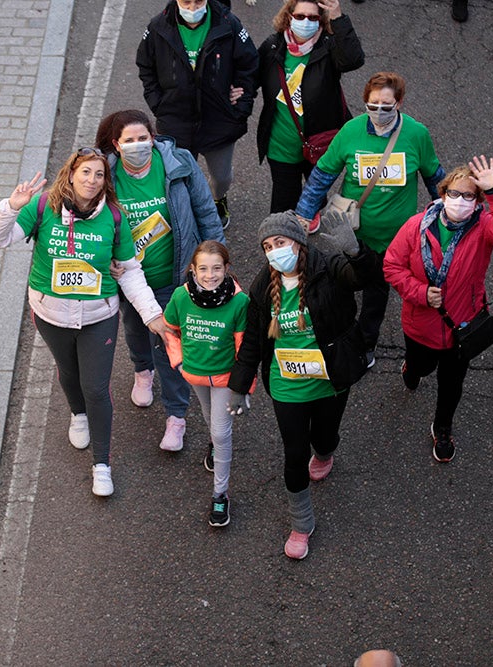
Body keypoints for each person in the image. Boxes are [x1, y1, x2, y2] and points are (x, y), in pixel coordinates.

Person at [0, 149, 168, 497]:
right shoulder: (42, 207)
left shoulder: (113, 218)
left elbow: (129, 271)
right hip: (50, 315)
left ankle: (102, 465)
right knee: (68, 371)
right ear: (70, 174)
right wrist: (11, 205)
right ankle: (77, 414)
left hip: (99, 316)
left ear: (104, 183)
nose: (91, 180)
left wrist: (152, 314)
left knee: (97, 387)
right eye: (85, 172)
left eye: (98, 175)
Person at [227, 210, 375, 560]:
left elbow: (366, 279)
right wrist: (239, 383)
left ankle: (324, 451)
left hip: (329, 378)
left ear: (298, 241)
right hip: (287, 384)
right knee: (294, 453)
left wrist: (356, 252)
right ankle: (301, 521)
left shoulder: (327, 267)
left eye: (280, 242)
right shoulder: (263, 286)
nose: (274, 251)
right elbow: (253, 339)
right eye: (267, 246)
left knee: (323, 437)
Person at [96, 110, 226, 452]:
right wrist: (103, 259)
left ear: (153, 139)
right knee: (136, 329)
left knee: (172, 345)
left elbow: (205, 211)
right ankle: (142, 371)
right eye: (129, 141)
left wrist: (216, 260)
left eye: (144, 138)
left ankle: (176, 417)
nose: (138, 145)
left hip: (175, 275)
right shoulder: (105, 176)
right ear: (115, 145)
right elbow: (90, 224)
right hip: (130, 280)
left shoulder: (178, 164)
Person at [295, 71, 445, 369]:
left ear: (399, 103)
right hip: (354, 234)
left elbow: (435, 180)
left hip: (397, 239)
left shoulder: (416, 135)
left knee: (377, 292)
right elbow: (322, 176)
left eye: (386, 106)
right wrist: (302, 215)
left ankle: (365, 344)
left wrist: (449, 218)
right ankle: (335, 330)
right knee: (341, 284)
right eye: (372, 105)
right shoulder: (350, 132)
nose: (379, 111)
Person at [383, 156, 493, 462]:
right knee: (421, 367)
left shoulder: (484, 228)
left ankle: (442, 427)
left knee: (451, 383)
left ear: (477, 201)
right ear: (442, 194)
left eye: (469, 196)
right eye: (454, 194)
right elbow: (392, 266)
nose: (460, 201)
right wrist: (420, 293)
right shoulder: (415, 226)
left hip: (462, 327)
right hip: (420, 324)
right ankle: (413, 367)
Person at [136, 0, 259, 229]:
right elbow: (146, 67)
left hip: (219, 120)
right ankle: (187, 209)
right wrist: (158, 104)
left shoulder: (228, 24)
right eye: (186, 2)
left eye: (198, 1)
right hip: (176, 121)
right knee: (179, 176)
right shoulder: (157, 27)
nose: (192, 8)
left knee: (221, 176)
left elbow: (249, 64)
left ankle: (218, 199)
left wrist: (241, 102)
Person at [163, 241, 250, 527]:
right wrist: (179, 362)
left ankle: (220, 494)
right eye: (203, 269)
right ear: (193, 269)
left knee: (221, 432)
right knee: (208, 416)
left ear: (227, 269)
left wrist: (242, 388)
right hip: (195, 374)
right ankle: (213, 444)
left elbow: (244, 347)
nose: (210, 275)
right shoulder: (180, 297)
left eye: (216, 268)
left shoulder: (239, 302)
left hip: (225, 378)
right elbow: (170, 331)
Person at [255, 0, 364, 213]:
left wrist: (338, 16)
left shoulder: (329, 46)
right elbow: (250, 77)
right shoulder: (272, 46)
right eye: (300, 16)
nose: (306, 22)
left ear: (321, 20)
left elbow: (353, 60)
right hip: (281, 146)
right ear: (289, 17)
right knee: (283, 206)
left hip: (321, 143)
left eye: (313, 17)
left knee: (315, 197)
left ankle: (310, 227)